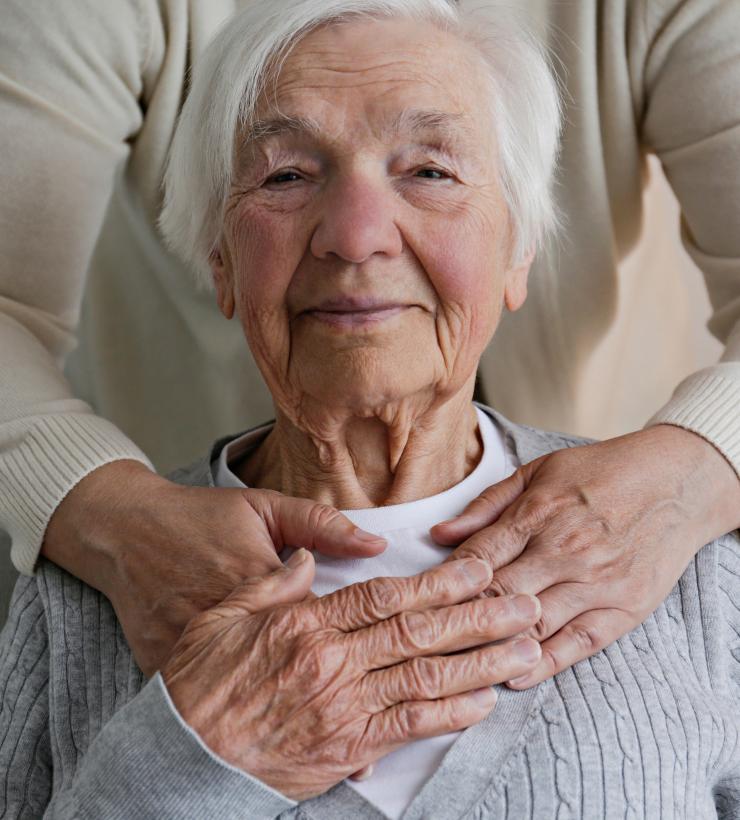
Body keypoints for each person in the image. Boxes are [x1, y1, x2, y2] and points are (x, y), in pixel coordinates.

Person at [2, 3, 739, 817]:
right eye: (285, 174)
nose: (356, 237)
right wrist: (181, 764)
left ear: (518, 246)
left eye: (429, 171)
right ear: (219, 261)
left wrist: (700, 467)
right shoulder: (87, 591)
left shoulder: (693, 577)